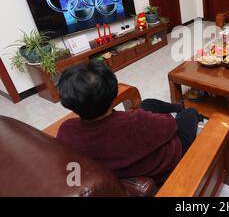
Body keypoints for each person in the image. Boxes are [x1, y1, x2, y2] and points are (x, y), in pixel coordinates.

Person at [56, 62, 202, 185]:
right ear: (114, 93)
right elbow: (171, 126)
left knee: (148, 103)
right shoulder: (135, 122)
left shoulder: (66, 130)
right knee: (189, 114)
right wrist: (154, 119)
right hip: (168, 161)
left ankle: (177, 107)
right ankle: (186, 111)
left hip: (127, 156)